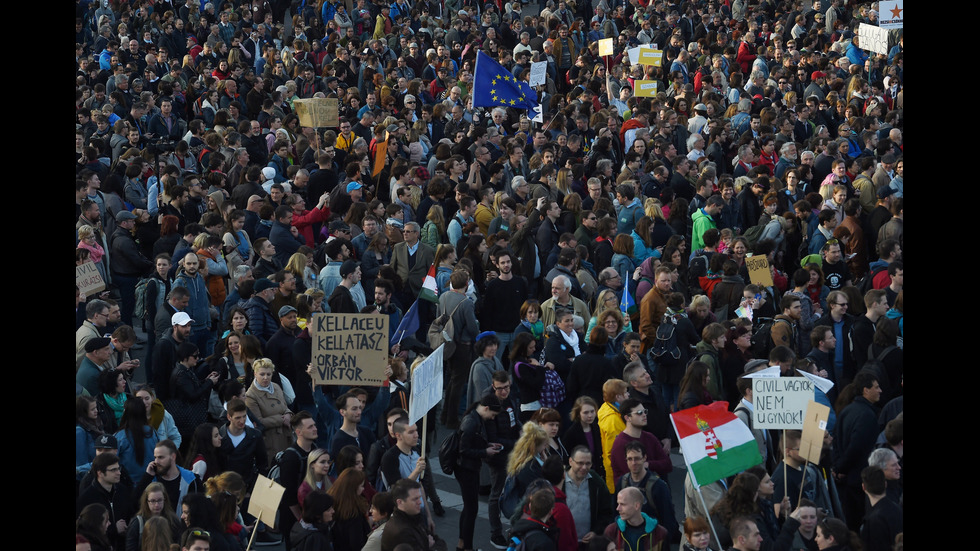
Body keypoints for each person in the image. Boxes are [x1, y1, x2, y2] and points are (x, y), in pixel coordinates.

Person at [833, 372, 882, 531]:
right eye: (876, 387)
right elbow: (857, 447)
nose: (880, 390)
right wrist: (841, 467)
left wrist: (839, 467)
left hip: (847, 479)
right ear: (865, 390)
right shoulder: (867, 415)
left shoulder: (847, 410)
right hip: (858, 480)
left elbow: (838, 439)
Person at [456, 395, 503, 551]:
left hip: (469, 468)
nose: (492, 418)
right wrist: (485, 451)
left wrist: (487, 445)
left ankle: (462, 544)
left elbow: (471, 444)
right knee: (471, 509)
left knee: (469, 508)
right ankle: (467, 547)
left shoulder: (475, 418)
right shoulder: (471, 422)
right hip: (467, 469)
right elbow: (464, 450)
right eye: (493, 415)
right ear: (486, 408)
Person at [437, 270, 480, 429]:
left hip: (447, 343)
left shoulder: (443, 297)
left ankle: (444, 414)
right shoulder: (466, 302)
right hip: (462, 346)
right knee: (458, 382)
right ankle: (452, 418)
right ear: (466, 284)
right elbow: (471, 327)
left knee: (452, 380)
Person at [616, 441, 679, 544]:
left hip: (652, 541)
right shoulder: (622, 482)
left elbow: (668, 520)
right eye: (630, 459)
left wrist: (661, 545)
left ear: (644, 458)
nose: (633, 463)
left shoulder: (658, 486)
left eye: (637, 458)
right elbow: (615, 513)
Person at [135, 440, 204, 516]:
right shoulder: (151, 479)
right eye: (155, 457)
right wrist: (147, 477)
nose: (156, 461)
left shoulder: (191, 480)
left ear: (173, 457)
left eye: (161, 457)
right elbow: (134, 504)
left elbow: (200, 509)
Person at [245, 357, 293, 461]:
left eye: (269, 374)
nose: (265, 377)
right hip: (269, 441)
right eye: (262, 374)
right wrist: (281, 419)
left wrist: (289, 414)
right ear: (255, 374)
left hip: (285, 435)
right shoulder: (251, 395)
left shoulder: (276, 387)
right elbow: (258, 422)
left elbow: (285, 407)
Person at [603, 486, 668, 551]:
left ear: (637, 506)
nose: (618, 508)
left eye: (622, 504)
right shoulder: (611, 532)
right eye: (618, 504)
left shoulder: (660, 533)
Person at [127, 482, 184, 551]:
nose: (157, 505)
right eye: (152, 501)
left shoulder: (173, 520)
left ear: (164, 500)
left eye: (159, 500)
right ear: (146, 501)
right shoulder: (137, 523)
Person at [327, 468, 372, 551]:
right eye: (362, 486)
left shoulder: (331, 504)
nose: (363, 489)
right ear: (353, 488)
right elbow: (357, 544)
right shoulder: (354, 513)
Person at [598, 379, 629, 493]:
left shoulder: (607, 408)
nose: (628, 394)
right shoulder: (613, 420)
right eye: (625, 392)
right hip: (618, 473)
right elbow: (613, 451)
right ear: (618, 397)